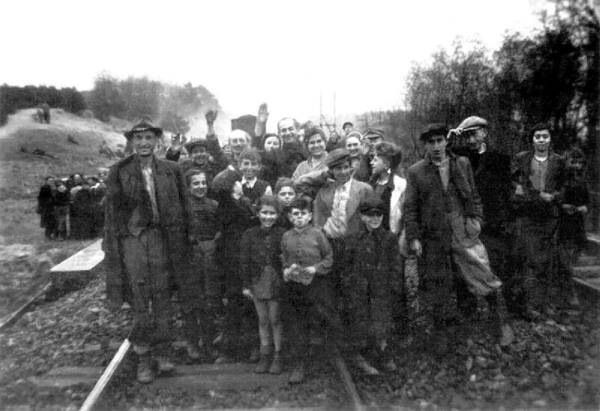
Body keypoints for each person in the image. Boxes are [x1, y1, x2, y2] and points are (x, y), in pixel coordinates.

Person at [404, 124, 509, 355]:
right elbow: (410, 208)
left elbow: (474, 195)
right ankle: (442, 333)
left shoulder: (461, 163)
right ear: (426, 145)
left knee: (482, 274)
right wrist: (414, 237)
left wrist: (477, 220)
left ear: (445, 142)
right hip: (434, 237)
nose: (436, 146)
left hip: (462, 230)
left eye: (440, 140)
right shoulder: (416, 171)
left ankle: (500, 327)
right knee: (438, 284)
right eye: (431, 142)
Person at [104, 119, 192, 383]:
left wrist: (189, 237)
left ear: (157, 141)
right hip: (133, 240)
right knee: (140, 296)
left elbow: (185, 205)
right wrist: (115, 246)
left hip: (163, 239)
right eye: (138, 138)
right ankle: (143, 356)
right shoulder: (118, 171)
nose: (143, 143)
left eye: (148, 138)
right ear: (132, 142)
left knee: (163, 295)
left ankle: (164, 353)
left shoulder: (171, 170)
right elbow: (111, 214)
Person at [450, 116, 516, 338]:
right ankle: (466, 313)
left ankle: (500, 319)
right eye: (466, 135)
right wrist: (452, 139)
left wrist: (505, 221)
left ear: (484, 133)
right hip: (468, 223)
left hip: (494, 223)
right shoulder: (459, 158)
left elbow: (506, 194)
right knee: (465, 267)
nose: (470, 139)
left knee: (492, 268)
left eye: (473, 134)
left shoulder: (500, 159)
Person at [281, 196, 343, 384]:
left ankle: (333, 356)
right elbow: (283, 257)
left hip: (316, 285)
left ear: (309, 216)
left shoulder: (317, 234)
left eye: (303, 214)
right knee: (298, 322)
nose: (299, 218)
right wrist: (287, 269)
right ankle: (299, 363)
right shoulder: (286, 236)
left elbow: (328, 257)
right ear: (290, 217)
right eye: (295, 214)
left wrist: (316, 268)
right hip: (295, 286)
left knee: (324, 316)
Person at [296, 148, 374, 291]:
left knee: (354, 287)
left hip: (354, 245)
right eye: (338, 168)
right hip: (329, 244)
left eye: (346, 167)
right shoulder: (324, 188)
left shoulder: (364, 189)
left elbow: (371, 218)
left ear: (351, 168)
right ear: (331, 170)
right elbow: (300, 182)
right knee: (331, 287)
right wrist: (323, 174)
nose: (343, 172)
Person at [511, 123, 565, 319]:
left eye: (545, 136)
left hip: (549, 218)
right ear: (532, 140)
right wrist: (536, 196)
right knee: (527, 260)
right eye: (537, 136)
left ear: (550, 139)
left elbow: (564, 186)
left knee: (545, 261)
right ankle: (525, 305)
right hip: (528, 216)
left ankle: (542, 304)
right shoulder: (522, 159)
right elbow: (517, 186)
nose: (541, 140)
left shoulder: (559, 162)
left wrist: (555, 197)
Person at [342, 197, 401, 375]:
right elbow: (345, 268)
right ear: (362, 217)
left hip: (381, 290)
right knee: (359, 322)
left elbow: (396, 266)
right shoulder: (353, 239)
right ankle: (358, 355)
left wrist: (393, 287)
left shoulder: (389, 238)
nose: (375, 219)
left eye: (379, 215)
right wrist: (349, 287)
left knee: (381, 321)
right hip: (358, 291)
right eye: (370, 215)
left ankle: (382, 351)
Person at [214, 173, 258, 363]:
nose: (241, 184)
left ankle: (252, 347)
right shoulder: (227, 204)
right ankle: (229, 348)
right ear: (232, 187)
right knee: (234, 303)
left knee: (250, 303)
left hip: (247, 257)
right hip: (233, 260)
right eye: (237, 182)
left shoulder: (244, 202)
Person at [240, 195, 286, 374]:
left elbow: (286, 259)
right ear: (258, 213)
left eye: (272, 213)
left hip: (276, 282)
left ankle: (277, 355)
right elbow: (244, 261)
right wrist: (245, 285)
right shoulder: (249, 234)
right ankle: (264, 353)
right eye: (264, 213)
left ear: (278, 214)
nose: (268, 217)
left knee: (275, 318)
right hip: (257, 282)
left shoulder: (282, 234)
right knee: (263, 319)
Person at [184, 169, 222, 360]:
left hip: (210, 258)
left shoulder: (214, 205)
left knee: (210, 300)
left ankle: (208, 342)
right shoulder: (183, 207)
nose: (201, 187)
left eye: (203, 183)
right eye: (196, 184)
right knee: (191, 302)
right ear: (188, 186)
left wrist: (213, 244)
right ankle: (192, 343)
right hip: (190, 259)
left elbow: (219, 229)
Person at [556, 147, 589, 308]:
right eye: (573, 162)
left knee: (579, 250)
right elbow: (555, 200)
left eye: (579, 163)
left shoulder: (582, 181)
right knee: (565, 261)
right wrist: (563, 206)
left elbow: (587, 201)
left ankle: (568, 286)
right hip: (562, 224)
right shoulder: (560, 181)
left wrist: (584, 207)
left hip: (577, 224)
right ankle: (569, 294)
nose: (576, 166)